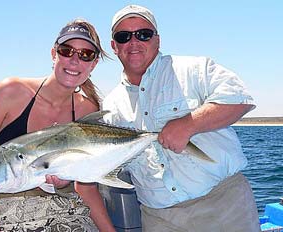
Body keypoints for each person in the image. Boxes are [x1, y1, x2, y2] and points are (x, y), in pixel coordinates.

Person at [102, 4, 260, 232]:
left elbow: (240, 99)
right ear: (114, 46)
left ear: (158, 40)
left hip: (223, 205)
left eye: (143, 34)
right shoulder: (111, 104)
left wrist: (189, 124)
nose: (134, 42)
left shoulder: (194, 69)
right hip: (158, 218)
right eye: (124, 36)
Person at [0, 19, 116, 232]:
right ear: (54, 54)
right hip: (10, 215)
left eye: (85, 54)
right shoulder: (10, 92)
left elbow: (86, 188)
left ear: (93, 64)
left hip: (70, 214)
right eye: (66, 50)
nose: (74, 61)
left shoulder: (86, 110)